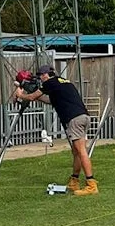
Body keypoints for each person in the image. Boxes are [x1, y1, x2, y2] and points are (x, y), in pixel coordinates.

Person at [14, 65, 98, 194]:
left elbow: (32, 97)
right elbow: (49, 100)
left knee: (81, 152)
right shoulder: (62, 82)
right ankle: (74, 181)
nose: (40, 79)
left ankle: (91, 184)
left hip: (74, 119)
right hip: (83, 116)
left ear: (46, 75)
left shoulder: (49, 83)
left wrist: (21, 94)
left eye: (41, 76)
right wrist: (32, 94)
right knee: (76, 152)